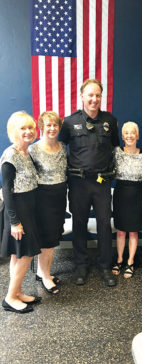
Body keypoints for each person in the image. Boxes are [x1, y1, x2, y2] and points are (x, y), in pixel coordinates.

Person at [58, 78, 120, 286]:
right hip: (78, 183)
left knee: (104, 225)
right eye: (90, 95)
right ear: (82, 96)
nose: (94, 99)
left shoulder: (110, 121)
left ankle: (105, 266)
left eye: (98, 95)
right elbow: (59, 149)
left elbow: (115, 148)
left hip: (102, 182)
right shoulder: (69, 121)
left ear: (101, 97)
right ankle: (81, 266)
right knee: (79, 224)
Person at [1, 111, 41, 314]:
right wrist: (15, 222)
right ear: (14, 132)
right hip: (18, 212)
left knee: (18, 256)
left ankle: (16, 293)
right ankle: (9, 298)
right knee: (26, 255)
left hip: (29, 209)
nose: (28, 131)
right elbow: (6, 192)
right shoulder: (10, 155)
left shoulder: (27, 152)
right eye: (23, 128)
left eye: (30, 127)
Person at [29, 111, 67, 295]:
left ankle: (41, 272)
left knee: (53, 237)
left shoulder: (63, 147)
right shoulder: (33, 149)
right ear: (41, 127)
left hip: (59, 197)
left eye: (55, 125)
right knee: (47, 240)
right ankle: (45, 276)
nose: (52, 128)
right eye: (48, 125)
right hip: (42, 198)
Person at [112, 122, 142, 278]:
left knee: (133, 232)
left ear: (138, 136)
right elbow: (104, 170)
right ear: (122, 136)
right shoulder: (116, 152)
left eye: (132, 132)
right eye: (126, 133)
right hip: (121, 193)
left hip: (138, 195)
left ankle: (130, 261)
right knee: (120, 231)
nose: (129, 135)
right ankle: (119, 259)